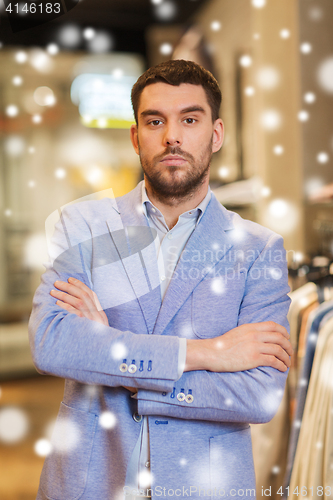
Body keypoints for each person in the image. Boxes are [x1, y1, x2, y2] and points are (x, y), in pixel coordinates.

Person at [29, 59, 293, 500]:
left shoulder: (259, 249)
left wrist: (115, 359)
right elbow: (53, 343)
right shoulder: (83, 226)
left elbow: (257, 395)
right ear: (136, 137)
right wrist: (207, 353)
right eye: (155, 121)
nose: (172, 135)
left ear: (216, 134)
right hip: (90, 482)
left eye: (190, 119)